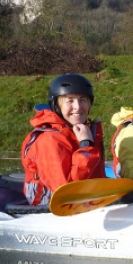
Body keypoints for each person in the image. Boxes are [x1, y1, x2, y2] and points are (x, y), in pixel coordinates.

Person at [21, 73, 106, 206]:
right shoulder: (49, 139)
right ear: (57, 106)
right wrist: (86, 146)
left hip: (84, 199)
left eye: (83, 99)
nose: (77, 107)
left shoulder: (83, 131)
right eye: (70, 100)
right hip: (52, 204)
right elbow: (66, 191)